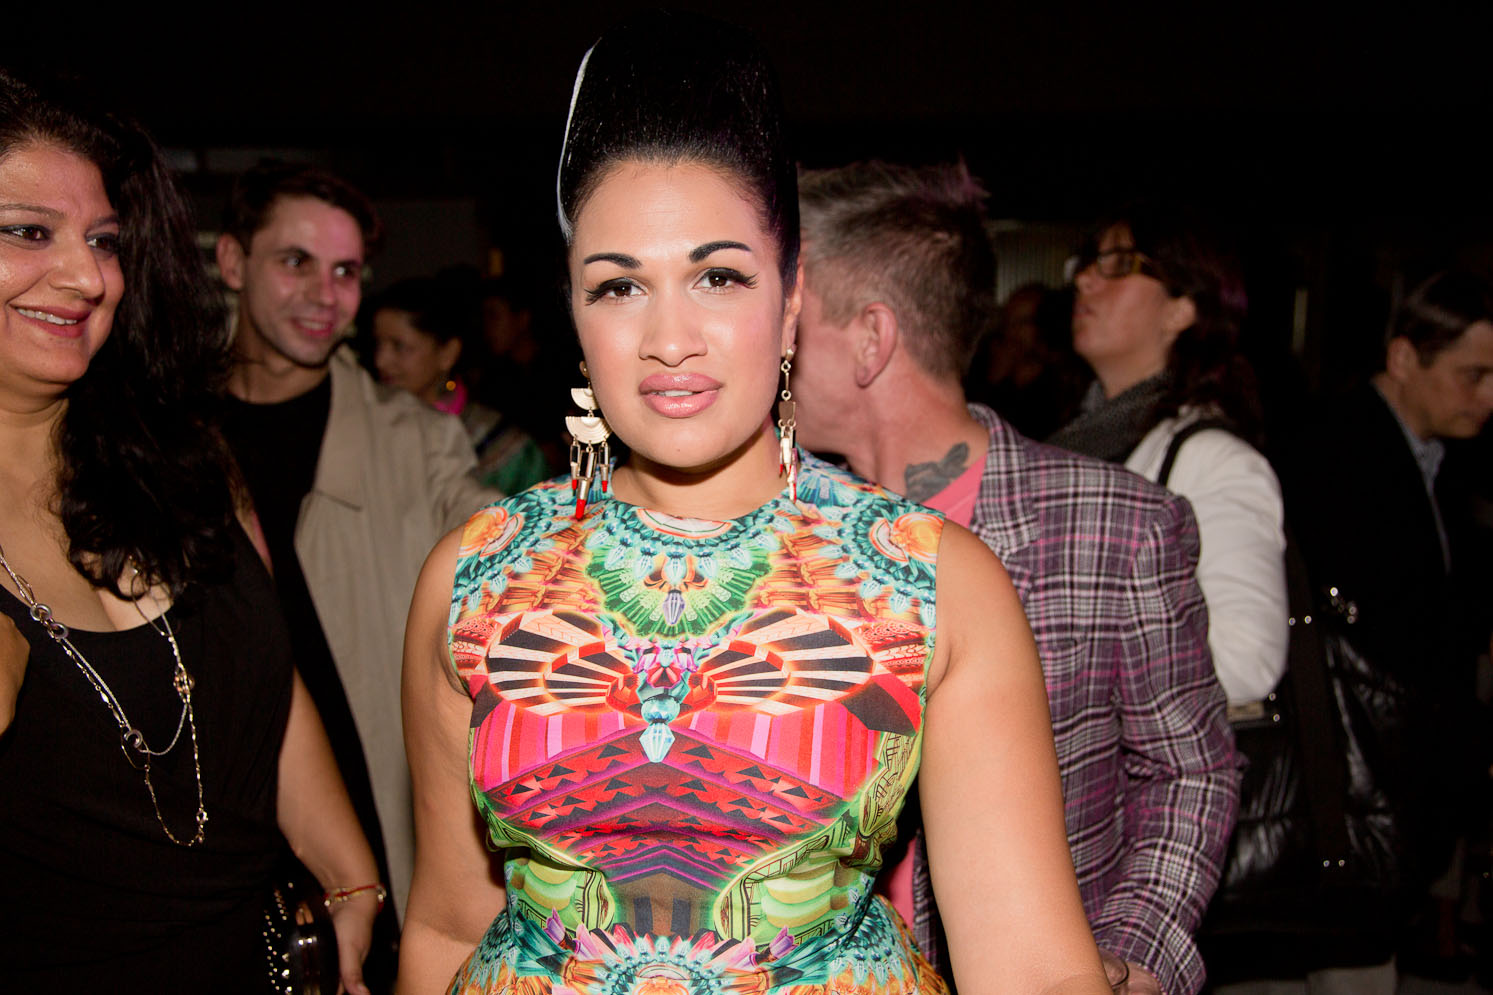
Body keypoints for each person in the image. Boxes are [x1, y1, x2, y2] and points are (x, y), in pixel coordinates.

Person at [398, 15, 1113, 995]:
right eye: (618, 287)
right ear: (574, 314)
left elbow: (1031, 971)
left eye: (718, 276)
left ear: (789, 303)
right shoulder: (474, 575)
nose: (670, 338)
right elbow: (445, 923)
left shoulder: (931, 583)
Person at [793, 160, 1238, 995]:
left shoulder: (1114, 524)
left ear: (870, 338)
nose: (756, 343)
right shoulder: (775, 528)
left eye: (788, 315)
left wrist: (1135, 951)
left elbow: (1189, 769)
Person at [0, 70, 379, 991]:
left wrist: (352, 883)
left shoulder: (184, 457)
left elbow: (267, 680)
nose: (88, 276)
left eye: (102, 240)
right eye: (27, 232)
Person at [216, 161, 498, 934]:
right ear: (232, 261)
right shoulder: (163, 436)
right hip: (221, 841)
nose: (325, 293)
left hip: (376, 842)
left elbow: (503, 539)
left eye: (345, 271)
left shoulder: (413, 439)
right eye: (296, 261)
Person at [1245, 271, 1493, 994]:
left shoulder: (1438, 459)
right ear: (1404, 357)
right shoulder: (1334, 454)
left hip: (1380, 788)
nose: (1486, 398)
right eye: (1472, 375)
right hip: (1337, 787)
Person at [1047, 209, 1289, 707]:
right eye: (1088, 262)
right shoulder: (1079, 439)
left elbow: (1247, 658)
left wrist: (1066, 669)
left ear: (1181, 310)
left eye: (1120, 263)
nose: (1085, 279)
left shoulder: (1213, 460)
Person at [369, 273, 550, 495]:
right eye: (378, 344)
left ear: (448, 353)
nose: (381, 361)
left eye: (399, 346)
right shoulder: (368, 427)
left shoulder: (502, 447)